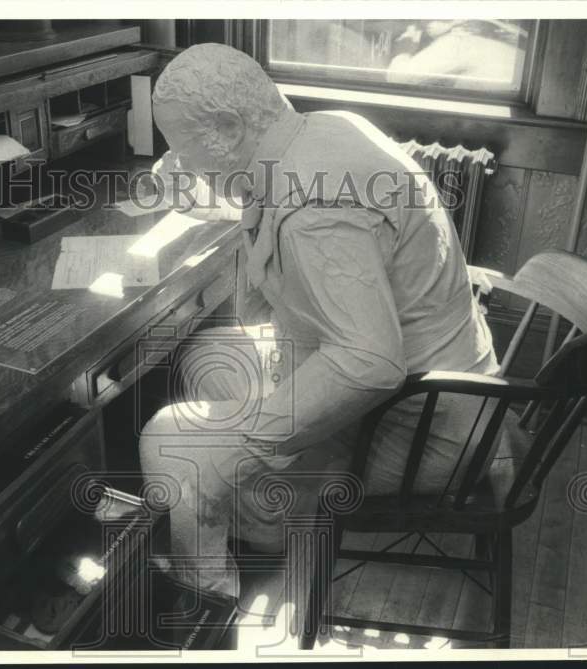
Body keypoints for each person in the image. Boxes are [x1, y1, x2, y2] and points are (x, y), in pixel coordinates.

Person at [123, 43, 500, 605]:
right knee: (209, 354)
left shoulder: (314, 214)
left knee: (171, 440)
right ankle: (259, 514)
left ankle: (209, 586)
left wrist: (233, 447)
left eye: (183, 147)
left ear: (228, 127)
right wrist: (208, 182)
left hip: (420, 427)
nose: (181, 161)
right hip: (444, 394)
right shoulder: (324, 131)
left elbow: (368, 362)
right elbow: (286, 199)